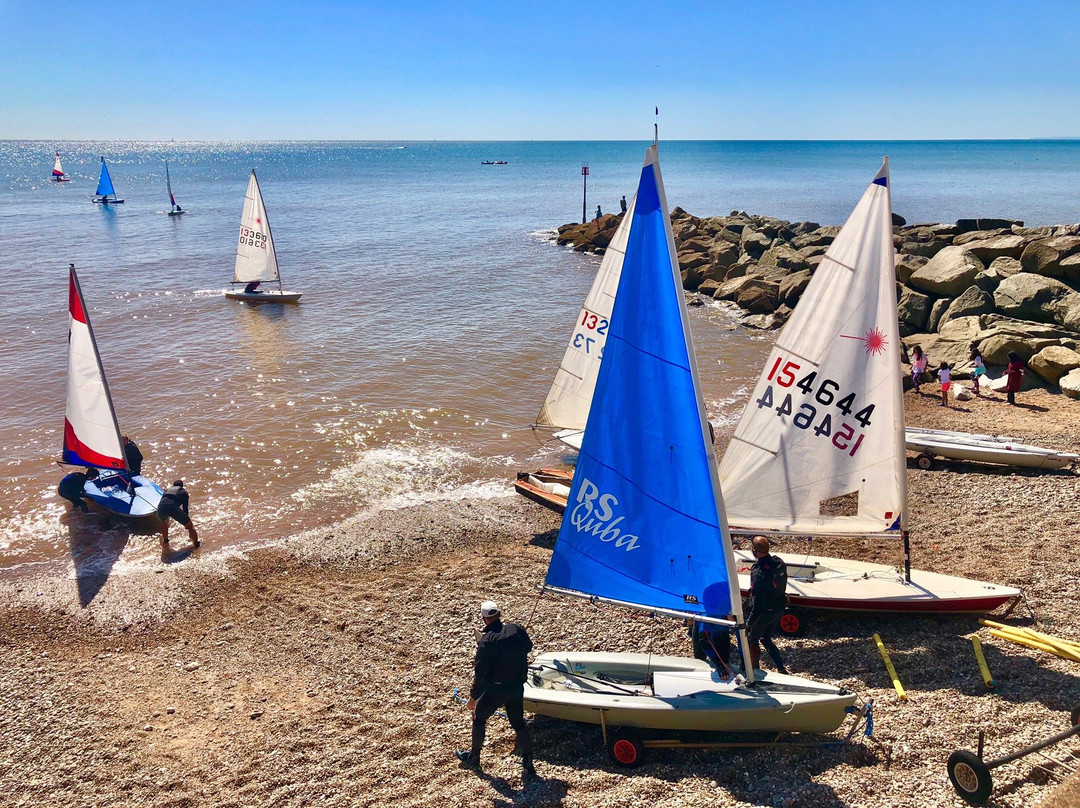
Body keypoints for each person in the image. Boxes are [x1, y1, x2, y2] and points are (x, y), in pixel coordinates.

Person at [456, 601, 535, 778]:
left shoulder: (486, 641)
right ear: (499, 614)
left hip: (496, 691)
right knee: (519, 723)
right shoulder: (517, 629)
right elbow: (528, 647)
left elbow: (480, 675)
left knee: (478, 718)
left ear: (484, 619)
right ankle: (528, 763)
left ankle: (474, 758)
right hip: (516, 688)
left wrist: (473, 698)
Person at [745, 535, 788, 674]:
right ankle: (781, 668)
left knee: (752, 639)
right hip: (779, 609)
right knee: (766, 638)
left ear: (755, 552)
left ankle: (754, 672)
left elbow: (758, 604)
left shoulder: (758, 572)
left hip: (765, 613)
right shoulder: (779, 562)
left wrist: (748, 623)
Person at [156, 479, 199, 547]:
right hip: (171, 506)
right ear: (182, 486)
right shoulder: (183, 492)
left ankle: (166, 541)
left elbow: (164, 501)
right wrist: (186, 522)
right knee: (190, 526)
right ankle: (196, 543)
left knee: (164, 522)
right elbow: (185, 508)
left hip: (160, 507)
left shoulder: (167, 490)